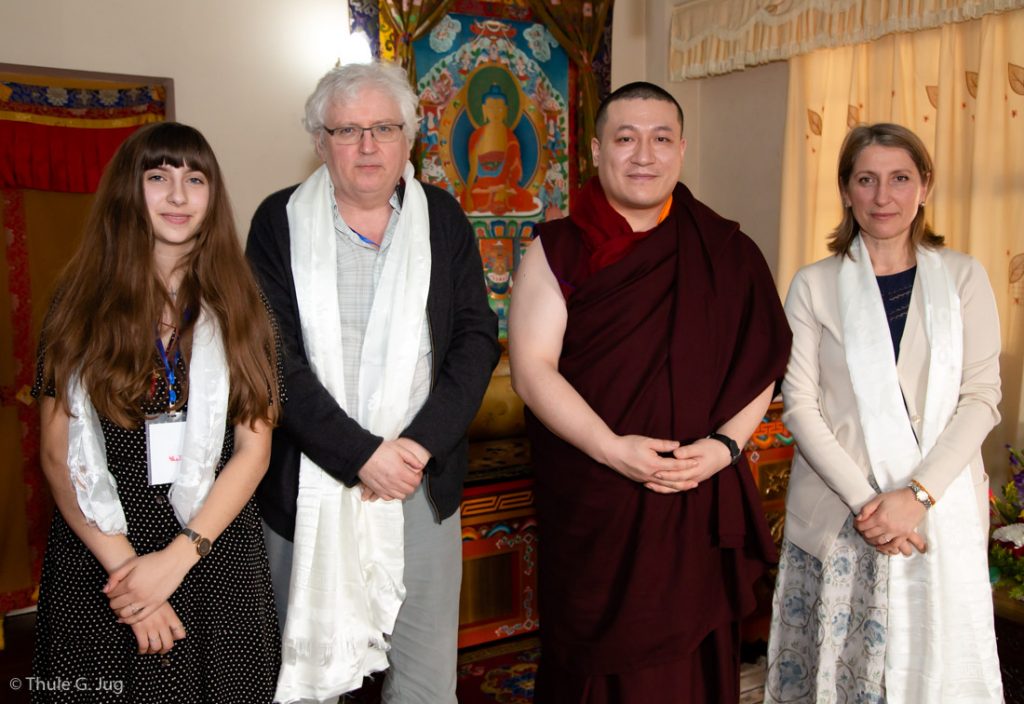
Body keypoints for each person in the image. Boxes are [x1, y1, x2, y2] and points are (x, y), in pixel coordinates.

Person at [508, 81, 792, 703]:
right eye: (626, 138)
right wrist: (613, 450)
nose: (644, 154)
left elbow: (763, 361)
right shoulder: (556, 250)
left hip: (695, 487)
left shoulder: (726, 250)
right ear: (596, 151)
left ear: (682, 149)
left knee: (690, 660)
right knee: (595, 659)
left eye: (661, 139)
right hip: (596, 491)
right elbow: (532, 370)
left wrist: (724, 448)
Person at [245, 61, 500, 703]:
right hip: (308, 478)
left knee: (423, 677)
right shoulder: (278, 222)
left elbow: (475, 340)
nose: (367, 146)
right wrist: (361, 455)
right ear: (319, 141)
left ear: (408, 138)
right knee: (307, 671)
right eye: (347, 130)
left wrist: (414, 450)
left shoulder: (442, 218)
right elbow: (271, 355)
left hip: (420, 480)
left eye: (383, 128)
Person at [31, 122, 282, 702]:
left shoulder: (245, 303)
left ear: (212, 196)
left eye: (195, 179)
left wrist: (175, 560)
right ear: (128, 189)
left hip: (214, 556)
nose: (178, 195)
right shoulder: (77, 303)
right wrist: (133, 583)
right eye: (158, 177)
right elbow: (55, 453)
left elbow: (254, 449)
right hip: (102, 559)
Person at [764, 123, 1003, 703]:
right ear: (846, 191)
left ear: (925, 187)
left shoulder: (964, 277)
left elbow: (981, 397)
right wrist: (872, 508)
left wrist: (915, 498)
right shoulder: (813, 285)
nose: (882, 196)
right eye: (865, 180)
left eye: (900, 179)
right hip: (842, 521)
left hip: (938, 512)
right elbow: (799, 405)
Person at [461, 83, 536, 214]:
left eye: (499, 108)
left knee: (525, 198)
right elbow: (473, 170)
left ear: (505, 110)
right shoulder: (476, 137)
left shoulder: (511, 139)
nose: (495, 112)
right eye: (491, 108)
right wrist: (468, 193)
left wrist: (504, 186)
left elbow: (516, 174)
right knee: (467, 196)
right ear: (484, 109)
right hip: (482, 188)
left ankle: (499, 199)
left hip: (505, 188)